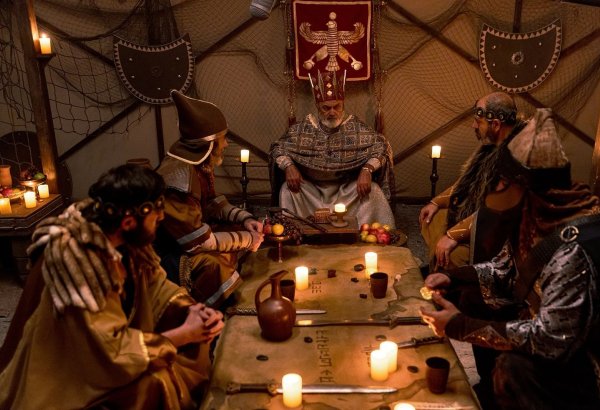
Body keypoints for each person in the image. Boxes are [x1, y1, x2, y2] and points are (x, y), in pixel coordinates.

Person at [0, 164, 225, 410]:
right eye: (155, 218)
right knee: (154, 383)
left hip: (109, 350)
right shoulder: (81, 265)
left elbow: (153, 284)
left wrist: (190, 310)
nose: (161, 219)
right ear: (128, 222)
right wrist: (184, 334)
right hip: (72, 371)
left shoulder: (122, 235)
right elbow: (108, 352)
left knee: (189, 336)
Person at [420, 109, 600, 410]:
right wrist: (452, 277)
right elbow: (503, 269)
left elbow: (551, 338)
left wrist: (462, 326)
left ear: (527, 187)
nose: (498, 190)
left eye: (505, 183)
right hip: (539, 323)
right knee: (471, 296)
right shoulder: (531, 218)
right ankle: (490, 391)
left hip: (579, 361)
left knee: (514, 368)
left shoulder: (572, 250)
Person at [155, 90, 264, 309]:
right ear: (209, 144)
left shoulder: (198, 165)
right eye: (223, 139)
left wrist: (245, 219)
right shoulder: (179, 182)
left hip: (192, 239)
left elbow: (212, 203)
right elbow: (199, 242)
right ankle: (211, 314)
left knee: (233, 231)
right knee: (215, 264)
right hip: (170, 254)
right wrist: (247, 239)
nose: (226, 144)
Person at [269, 70, 396, 228]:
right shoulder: (303, 128)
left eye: (337, 107)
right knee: (287, 190)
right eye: (326, 108)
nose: (332, 112)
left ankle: (366, 232)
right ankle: (296, 232)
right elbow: (278, 147)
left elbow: (382, 146)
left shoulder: (355, 127)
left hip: (347, 191)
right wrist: (289, 166)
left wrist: (367, 169)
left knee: (374, 190)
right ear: (317, 106)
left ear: (343, 105)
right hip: (311, 190)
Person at [419, 92, 526, 270]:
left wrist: (453, 235)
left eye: (478, 121)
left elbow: (493, 212)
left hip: (501, 235)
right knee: (432, 218)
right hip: (480, 215)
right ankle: (437, 264)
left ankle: (448, 272)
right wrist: (436, 202)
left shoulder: (518, 157)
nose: (473, 125)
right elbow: (466, 185)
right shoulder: (493, 145)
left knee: (453, 255)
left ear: (496, 124)